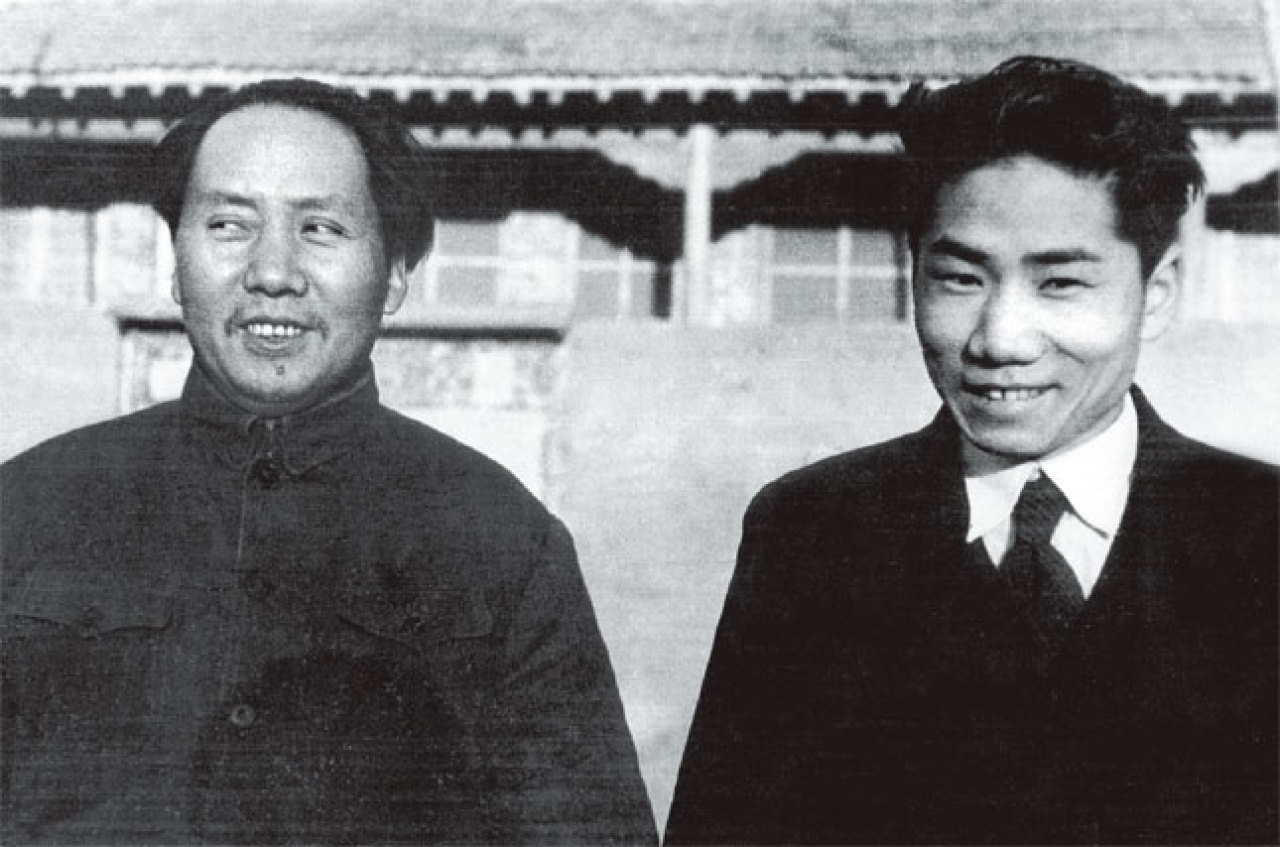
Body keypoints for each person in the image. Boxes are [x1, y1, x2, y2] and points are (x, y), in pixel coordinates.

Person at [1, 78, 656, 845]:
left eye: (320, 228)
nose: (272, 273)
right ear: (175, 261)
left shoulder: (502, 541)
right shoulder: (29, 508)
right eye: (228, 224)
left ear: (396, 272)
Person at [665, 56, 1277, 845]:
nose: (1000, 339)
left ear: (1155, 294)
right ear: (912, 272)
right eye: (960, 278)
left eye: (1061, 284)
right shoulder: (814, 531)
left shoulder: (1260, 534)